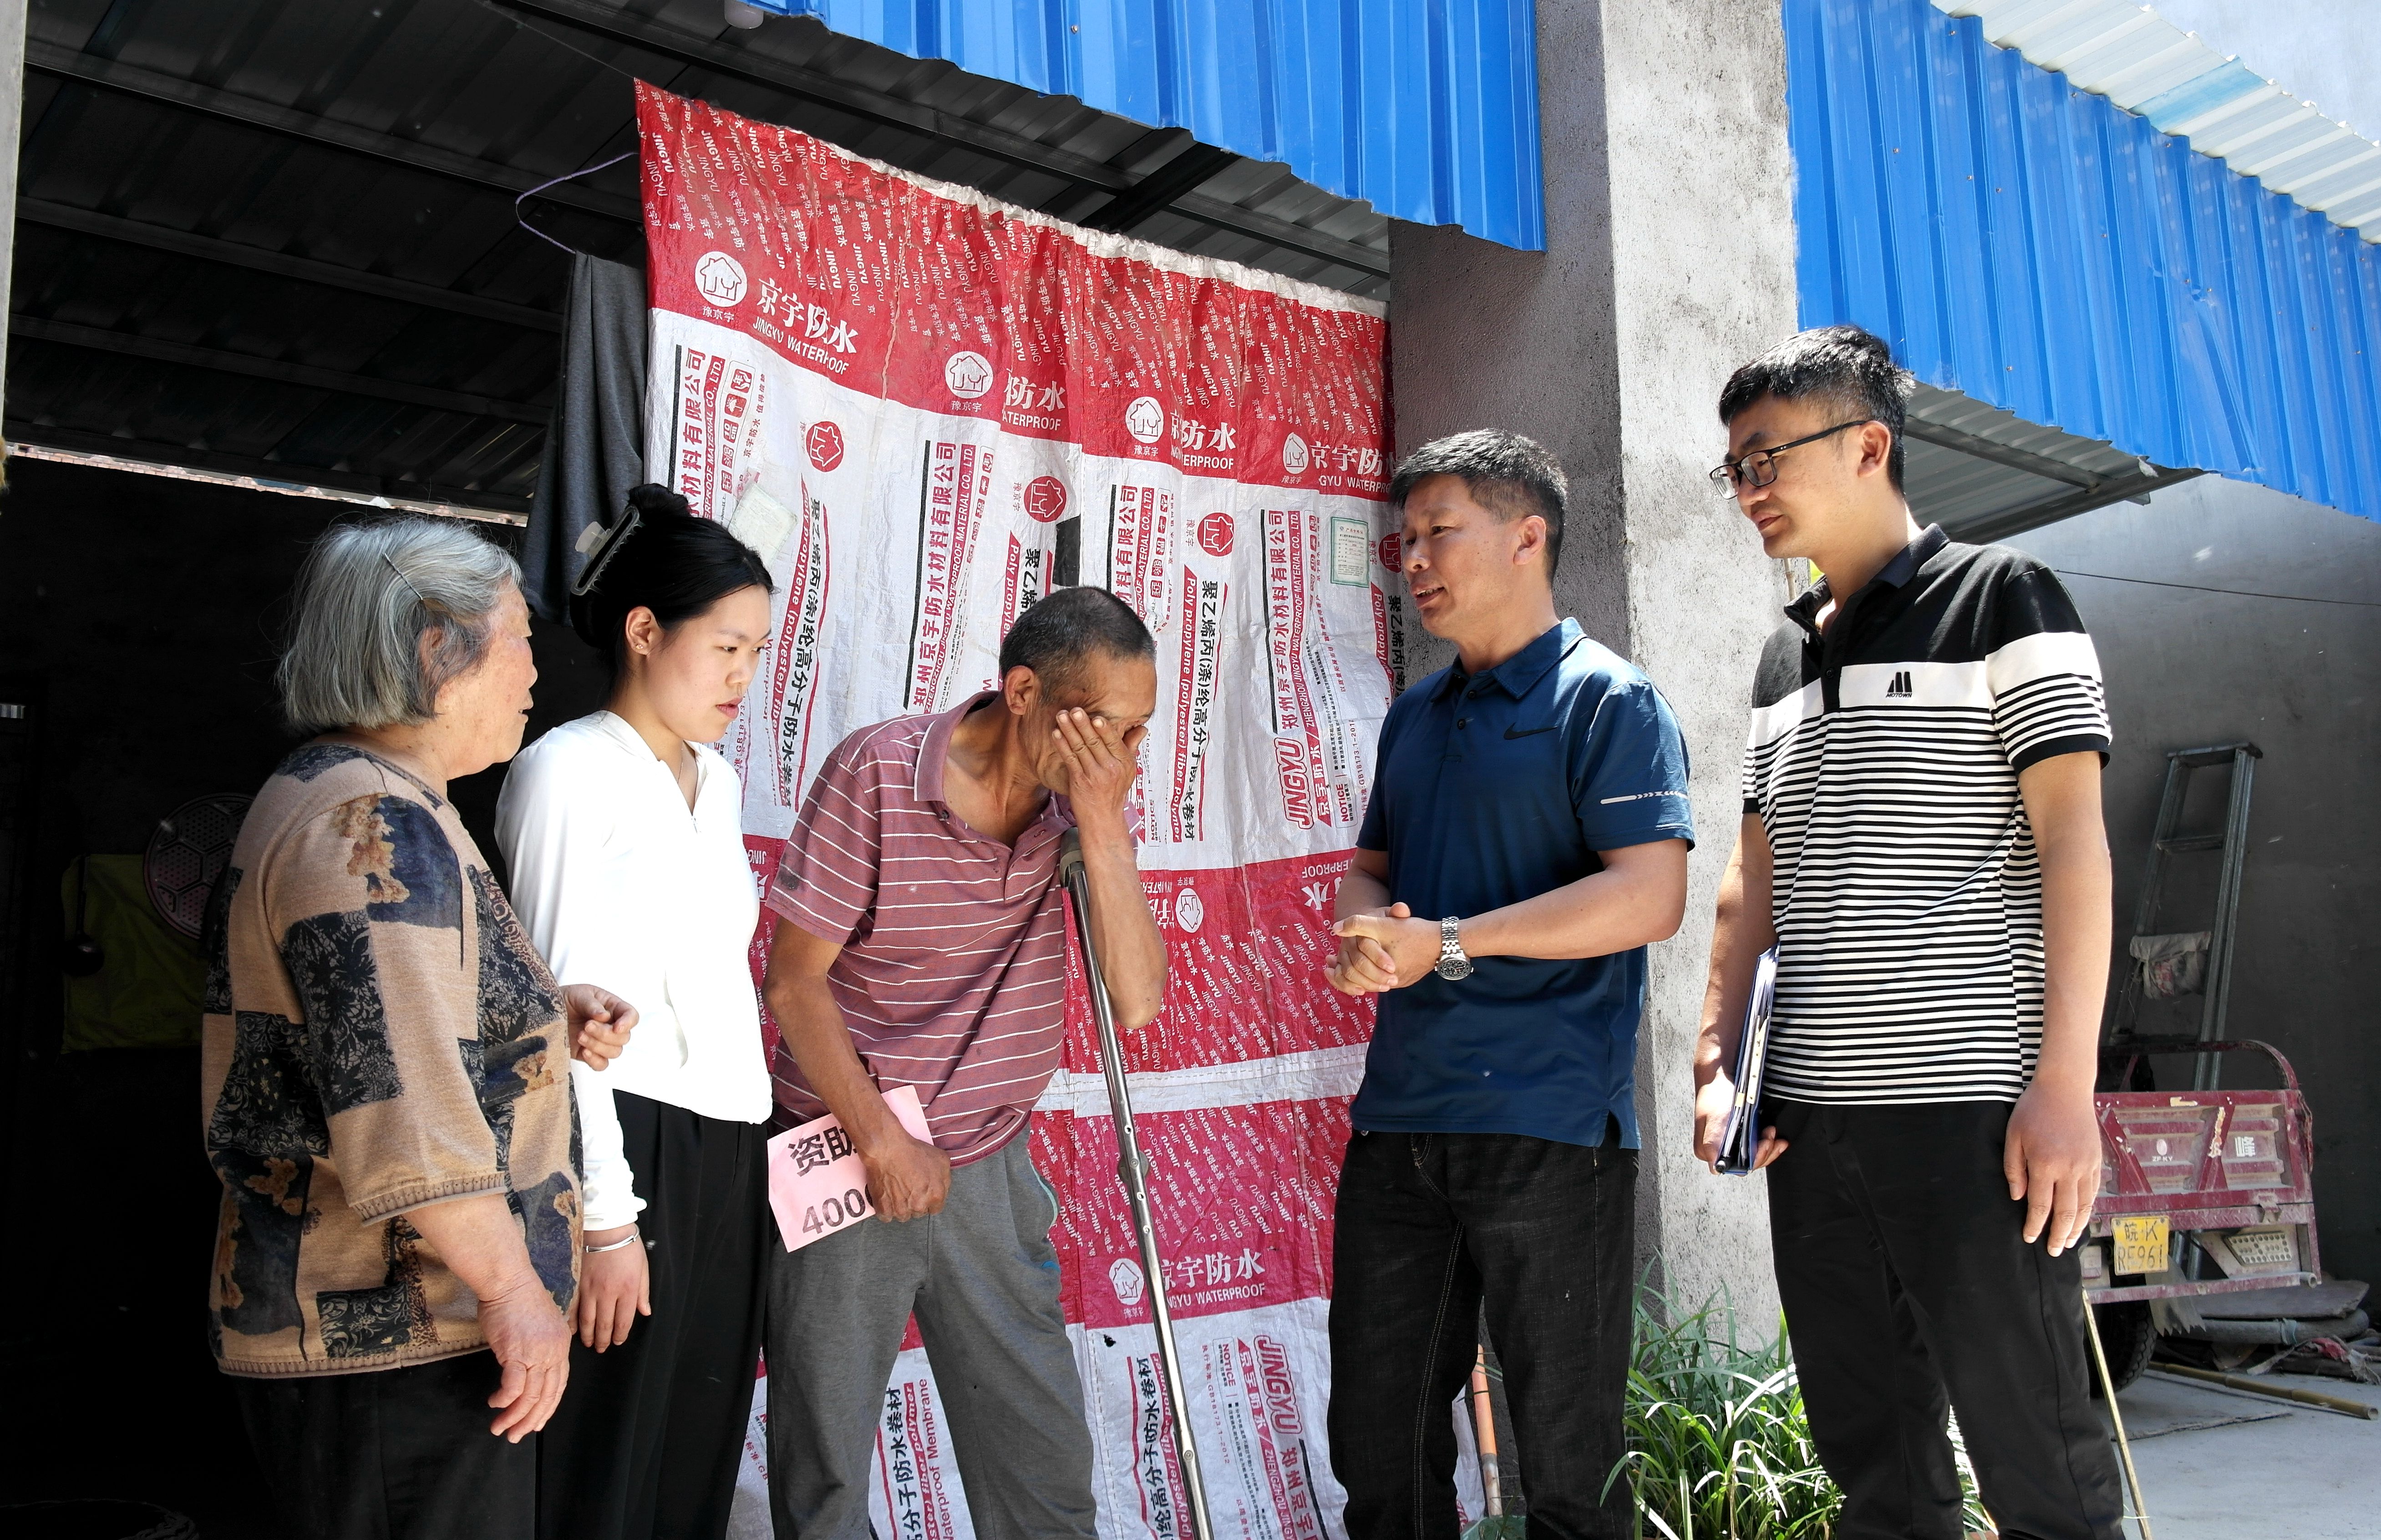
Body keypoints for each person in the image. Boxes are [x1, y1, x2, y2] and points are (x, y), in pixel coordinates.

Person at [1692, 325, 2125, 1540]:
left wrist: (2066, 1086)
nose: (1750, 488)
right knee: (1875, 1467)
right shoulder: (1783, 655)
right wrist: (1720, 1059)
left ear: (1870, 445)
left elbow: (2074, 844)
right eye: (1735, 468)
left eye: (1769, 457)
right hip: (1811, 1127)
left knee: (2042, 1465)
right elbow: (1751, 880)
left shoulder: (2004, 599)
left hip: (1970, 1120)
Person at [204, 517, 636, 1540]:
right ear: (438, 650)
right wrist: (514, 1290)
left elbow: (398, 1019)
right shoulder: (371, 825)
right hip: (398, 1337)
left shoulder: (363, 796)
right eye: (519, 637)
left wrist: (539, 1014)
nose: (536, 670)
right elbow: (400, 1098)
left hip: (397, 1338)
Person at [1325, 430, 1694, 1540]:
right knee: (1381, 1455)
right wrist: (1363, 931)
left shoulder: (1610, 701)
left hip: (1552, 1128)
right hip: (1400, 1127)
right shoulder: (1414, 715)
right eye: (1405, 539)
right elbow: (1371, 869)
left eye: (1440, 532)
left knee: (1571, 1472)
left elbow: (1650, 896)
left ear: (1527, 537)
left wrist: (1448, 943)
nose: (1413, 559)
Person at [759, 585, 1166, 1540]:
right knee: (825, 1462)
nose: (1123, 756)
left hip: (987, 1159)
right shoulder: (879, 769)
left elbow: (1138, 1001)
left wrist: (1103, 823)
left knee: (1041, 1457)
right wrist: (879, 1139)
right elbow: (792, 984)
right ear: (1023, 693)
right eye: (1107, 727)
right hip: (843, 1142)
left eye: (1138, 732)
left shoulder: (1079, 807)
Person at [496, 486, 777, 1540]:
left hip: (727, 1150)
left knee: (694, 1448)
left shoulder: (720, 783)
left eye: (757, 652)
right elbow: (555, 1011)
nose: (743, 675)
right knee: (608, 1457)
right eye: (726, 647)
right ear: (645, 631)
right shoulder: (566, 772)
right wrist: (608, 1219)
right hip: (625, 1148)